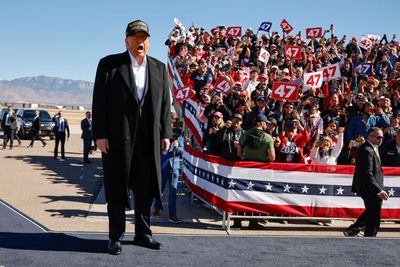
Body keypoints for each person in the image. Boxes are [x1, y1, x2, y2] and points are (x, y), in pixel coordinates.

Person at [92, 19, 172, 255]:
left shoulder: (159, 68)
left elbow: (165, 105)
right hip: (117, 140)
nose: (140, 41)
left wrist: (165, 132)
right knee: (117, 189)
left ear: (149, 42)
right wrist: (101, 134)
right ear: (126, 39)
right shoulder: (109, 65)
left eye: (144, 37)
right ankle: (115, 236)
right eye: (135, 37)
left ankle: (143, 233)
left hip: (148, 140)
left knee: (145, 190)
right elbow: (99, 102)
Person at [344, 127, 389, 237]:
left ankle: (353, 229)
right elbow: (367, 173)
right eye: (378, 137)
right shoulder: (366, 150)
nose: (381, 139)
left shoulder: (373, 148)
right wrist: (378, 190)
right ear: (370, 136)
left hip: (373, 187)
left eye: (382, 137)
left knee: (371, 212)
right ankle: (370, 239)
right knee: (374, 217)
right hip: (369, 188)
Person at [153, 133, 184, 224]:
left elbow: (182, 151)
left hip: (174, 168)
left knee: (173, 192)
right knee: (160, 189)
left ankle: (172, 214)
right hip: (162, 166)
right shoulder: (159, 135)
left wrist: (177, 147)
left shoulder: (179, 137)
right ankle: (157, 207)